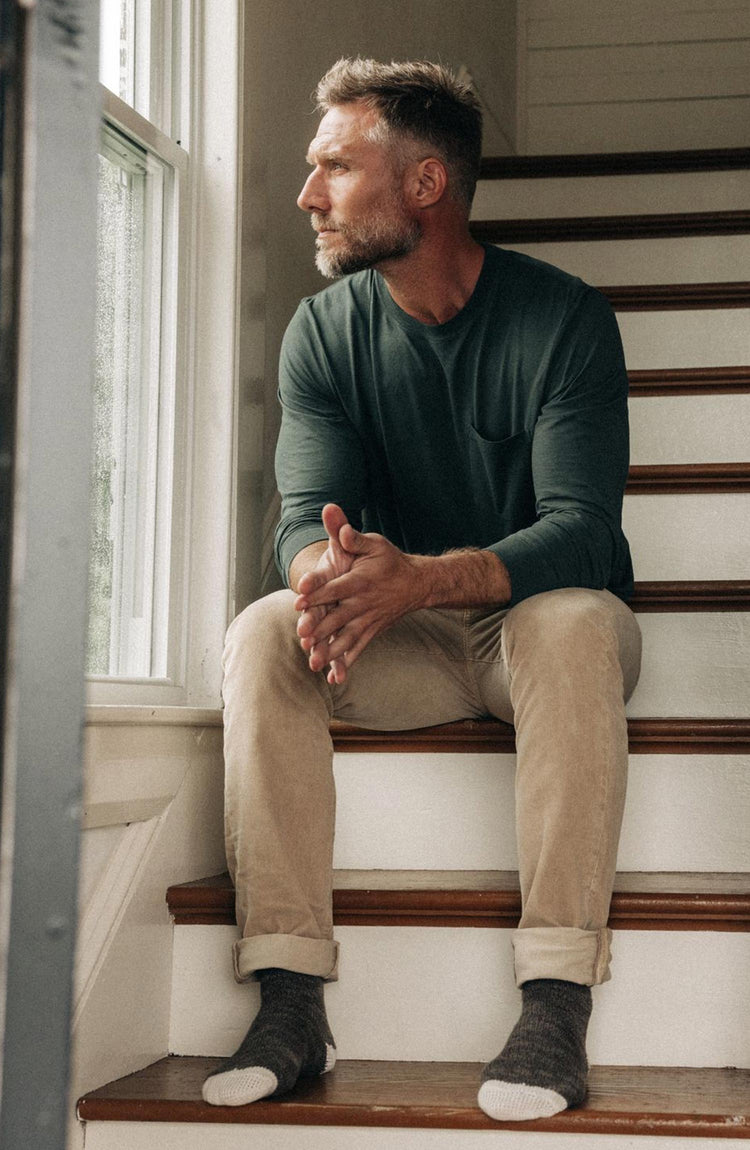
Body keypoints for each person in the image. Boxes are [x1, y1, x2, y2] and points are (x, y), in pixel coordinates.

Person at [202, 57, 642, 1122]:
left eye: (334, 166)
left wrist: (421, 580)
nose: (307, 195)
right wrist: (333, 579)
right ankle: (291, 1000)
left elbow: (583, 532)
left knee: (576, 619)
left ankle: (553, 1001)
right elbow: (305, 519)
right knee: (266, 630)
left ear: (426, 184)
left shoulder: (565, 318)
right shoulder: (325, 330)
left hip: (529, 640)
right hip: (399, 646)